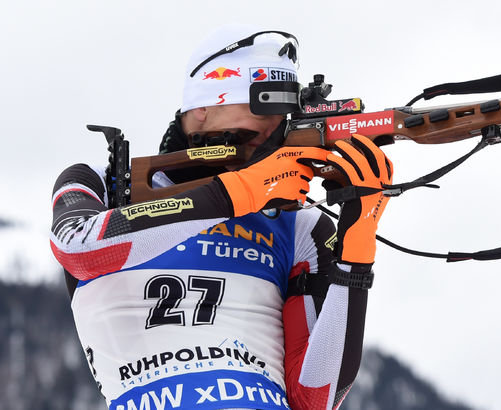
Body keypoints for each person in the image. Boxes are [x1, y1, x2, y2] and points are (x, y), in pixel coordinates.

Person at [49, 24, 393, 410]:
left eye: (285, 113)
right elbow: (79, 249)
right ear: (203, 107)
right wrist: (240, 192)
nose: (275, 127)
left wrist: (356, 254)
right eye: (262, 107)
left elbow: (313, 399)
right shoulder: (103, 183)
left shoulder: (301, 226)